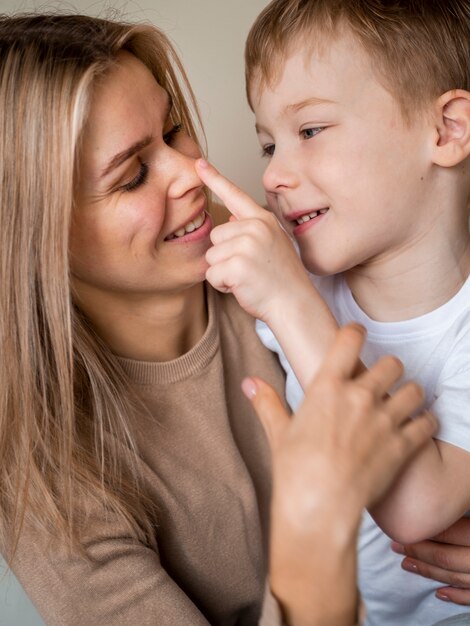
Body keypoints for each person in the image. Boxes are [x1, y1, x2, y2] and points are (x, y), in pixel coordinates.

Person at [0, 12, 441, 626]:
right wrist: (311, 543)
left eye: (174, 132)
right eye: (132, 177)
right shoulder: (49, 486)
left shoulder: (301, 243)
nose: (191, 174)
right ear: (36, 241)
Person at [194, 0, 470, 624]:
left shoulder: (297, 293)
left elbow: (413, 506)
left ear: (447, 130)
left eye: (310, 131)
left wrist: (291, 299)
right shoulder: (301, 273)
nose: (274, 175)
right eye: (268, 145)